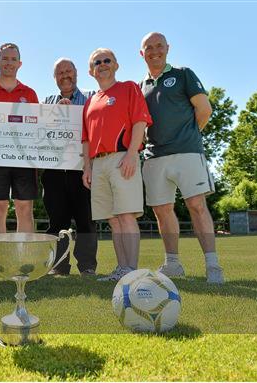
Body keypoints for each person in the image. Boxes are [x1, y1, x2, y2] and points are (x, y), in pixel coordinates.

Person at [139, 32, 224, 284]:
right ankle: (173, 265)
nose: (154, 51)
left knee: (197, 205)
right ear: (141, 53)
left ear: (168, 48)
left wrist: (188, 136)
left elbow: (204, 109)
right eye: (148, 47)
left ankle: (212, 265)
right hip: (154, 157)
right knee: (162, 211)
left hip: (188, 152)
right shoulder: (140, 85)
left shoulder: (183, 73)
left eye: (159, 46)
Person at [82, 48, 152, 282]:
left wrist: (132, 154)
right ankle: (122, 269)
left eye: (107, 60)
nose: (102, 64)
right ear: (91, 71)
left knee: (126, 216)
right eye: (97, 62)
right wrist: (87, 167)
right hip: (98, 164)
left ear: (116, 65)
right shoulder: (90, 101)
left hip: (123, 158)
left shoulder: (129, 88)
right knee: (112, 220)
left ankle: (132, 270)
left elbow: (140, 121)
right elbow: (86, 138)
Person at [43, 58, 98, 277]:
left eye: (68, 71)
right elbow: (39, 135)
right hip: (54, 170)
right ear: (54, 77)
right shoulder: (47, 101)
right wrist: (56, 114)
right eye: (60, 73)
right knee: (57, 220)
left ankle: (87, 266)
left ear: (76, 73)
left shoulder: (92, 98)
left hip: (83, 168)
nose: (65, 75)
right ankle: (59, 266)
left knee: (86, 220)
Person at [0, 43, 39, 234]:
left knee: (24, 208)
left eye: (13, 59)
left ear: (19, 64)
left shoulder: (30, 94)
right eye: (5, 59)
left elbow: (38, 127)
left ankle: (25, 259)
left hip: (24, 159)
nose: (9, 63)